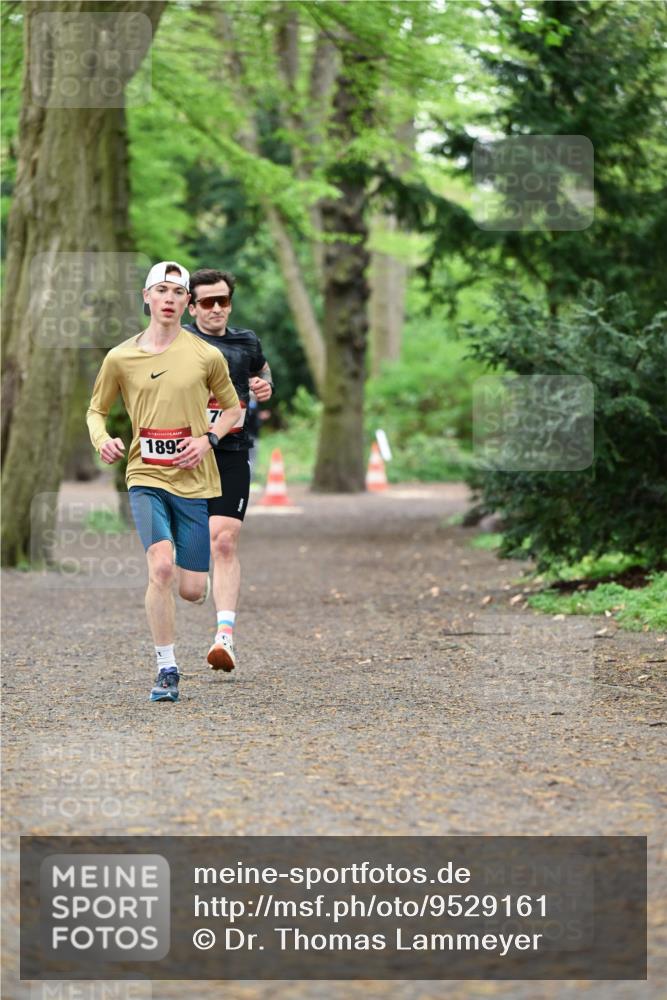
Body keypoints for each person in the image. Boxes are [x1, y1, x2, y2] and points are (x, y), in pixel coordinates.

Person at [86, 261, 242, 703]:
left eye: (178, 291)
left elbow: (231, 410)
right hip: (144, 474)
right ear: (146, 297)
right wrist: (103, 439)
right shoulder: (121, 357)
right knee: (160, 567)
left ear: (187, 302)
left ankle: (200, 588)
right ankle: (167, 668)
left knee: (191, 589)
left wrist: (208, 440)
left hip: (193, 480)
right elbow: (96, 410)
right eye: (162, 290)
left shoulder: (206, 355)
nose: (170, 298)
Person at [183, 268, 273, 674]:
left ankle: (224, 637)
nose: (216, 308)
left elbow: (262, 370)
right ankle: (194, 578)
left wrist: (264, 385)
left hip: (232, 450)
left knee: (224, 542)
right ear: (192, 306)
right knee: (187, 585)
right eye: (207, 302)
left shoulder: (245, 340)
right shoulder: (179, 343)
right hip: (185, 453)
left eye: (222, 301)